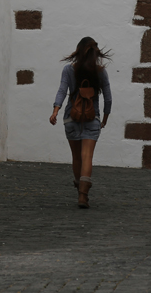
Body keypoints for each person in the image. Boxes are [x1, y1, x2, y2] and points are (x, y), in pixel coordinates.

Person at [49, 36, 112, 208]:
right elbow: (108, 98)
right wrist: (104, 119)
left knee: (76, 157)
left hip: (71, 117)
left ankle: (79, 191)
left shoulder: (68, 70)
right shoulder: (100, 72)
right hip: (92, 118)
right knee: (87, 157)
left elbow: (62, 90)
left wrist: (55, 110)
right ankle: (83, 196)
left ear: (78, 51)